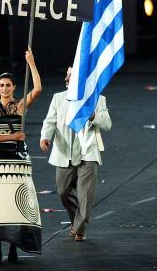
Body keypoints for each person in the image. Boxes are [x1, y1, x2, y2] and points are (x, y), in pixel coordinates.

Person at [0, 49, 42, 266]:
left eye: (8, 85)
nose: (5, 88)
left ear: (13, 87)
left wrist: (31, 62)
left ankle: (14, 247)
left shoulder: (19, 105)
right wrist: (13, 135)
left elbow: (38, 88)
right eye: (1, 85)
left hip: (17, 160)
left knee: (15, 205)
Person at [40, 67, 112, 241]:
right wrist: (45, 137)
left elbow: (107, 124)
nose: (68, 79)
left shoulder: (97, 99)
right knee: (63, 191)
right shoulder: (58, 98)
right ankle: (76, 220)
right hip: (65, 152)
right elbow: (49, 121)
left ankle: (79, 229)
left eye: (72, 76)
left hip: (88, 152)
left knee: (85, 195)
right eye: (67, 76)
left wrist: (94, 115)